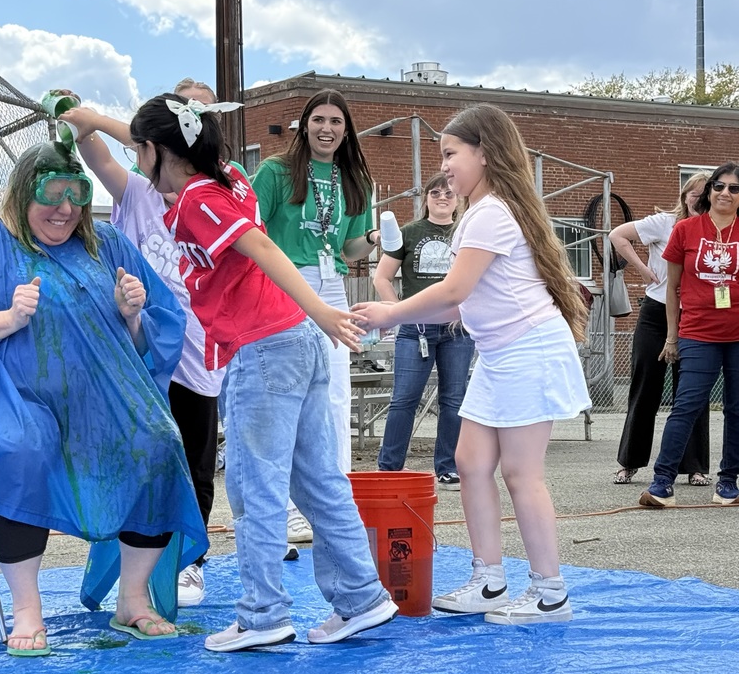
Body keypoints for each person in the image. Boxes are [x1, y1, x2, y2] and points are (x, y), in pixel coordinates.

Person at [0, 138, 208, 656]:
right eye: (52, 193)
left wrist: (133, 316)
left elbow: (156, 338)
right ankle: (27, 608)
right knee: (18, 449)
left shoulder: (106, 244)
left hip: (102, 403)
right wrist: (8, 319)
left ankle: (132, 599)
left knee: (156, 440)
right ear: (25, 191)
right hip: (10, 397)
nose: (65, 209)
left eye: (77, 194)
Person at [129, 92, 397, 652]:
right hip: (293, 339)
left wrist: (322, 310)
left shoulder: (201, 197)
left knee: (256, 485)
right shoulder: (226, 179)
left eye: (138, 148)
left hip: (268, 345)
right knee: (318, 480)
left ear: (154, 149)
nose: (135, 159)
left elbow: (261, 247)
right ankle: (362, 597)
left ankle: (262, 614)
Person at [354, 103, 590, 625]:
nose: (445, 168)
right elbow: (458, 305)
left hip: (528, 351)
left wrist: (390, 312)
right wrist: (392, 317)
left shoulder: (490, 213)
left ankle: (550, 593)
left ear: (484, 153)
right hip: (500, 354)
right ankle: (489, 580)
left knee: (520, 472)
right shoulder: (481, 212)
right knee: (470, 462)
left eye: (451, 154)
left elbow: (454, 291)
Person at [60, 82, 226, 607]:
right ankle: (126, 563)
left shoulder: (218, 193)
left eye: (202, 110)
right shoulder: (137, 192)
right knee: (133, 459)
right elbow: (97, 154)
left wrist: (95, 118)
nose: (192, 118)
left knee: (192, 460)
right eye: (184, 107)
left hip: (197, 353)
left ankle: (188, 562)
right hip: (138, 352)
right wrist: (79, 118)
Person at [251, 88, 379, 542]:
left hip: (333, 284)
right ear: (304, 125)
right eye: (319, 120)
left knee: (336, 395)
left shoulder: (355, 179)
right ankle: (288, 508)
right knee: (287, 394)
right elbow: (252, 232)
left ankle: (335, 501)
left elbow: (350, 249)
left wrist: (374, 239)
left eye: (336, 122)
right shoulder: (275, 171)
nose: (327, 129)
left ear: (346, 130)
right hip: (287, 282)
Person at [640, 162, 739, 508]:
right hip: (697, 333)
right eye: (719, 186)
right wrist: (672, 336)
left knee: (736, 409)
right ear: (709, 191)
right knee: (686, 406)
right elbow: (672, 289)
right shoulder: (685, 229)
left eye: (734, 188)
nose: (726, 193)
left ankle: (728, 483)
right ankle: (662, 484)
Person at [372, 172, 473, 490]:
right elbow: (381, 277)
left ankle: (448, 467)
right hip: (416, 330)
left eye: (448, 193)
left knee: (454, 399)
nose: (442, 197)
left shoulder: (466, 233)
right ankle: (389, 469)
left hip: (457, 329)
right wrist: (398, 312)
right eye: (435, 193)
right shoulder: (409, 233)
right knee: (405, 398)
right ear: (426, 198)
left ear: (457, 199)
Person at [610, 174, 711, 486]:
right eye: (693, 193)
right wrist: (643, 269)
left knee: (692, 393)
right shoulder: (663, 223)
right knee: (645, 388)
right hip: (655, 312)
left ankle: (695, 467)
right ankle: (629, 462)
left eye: (703, 195)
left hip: (693, 315)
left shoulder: (712, 230)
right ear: (684, 195)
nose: (697, 199)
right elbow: (617, 235)